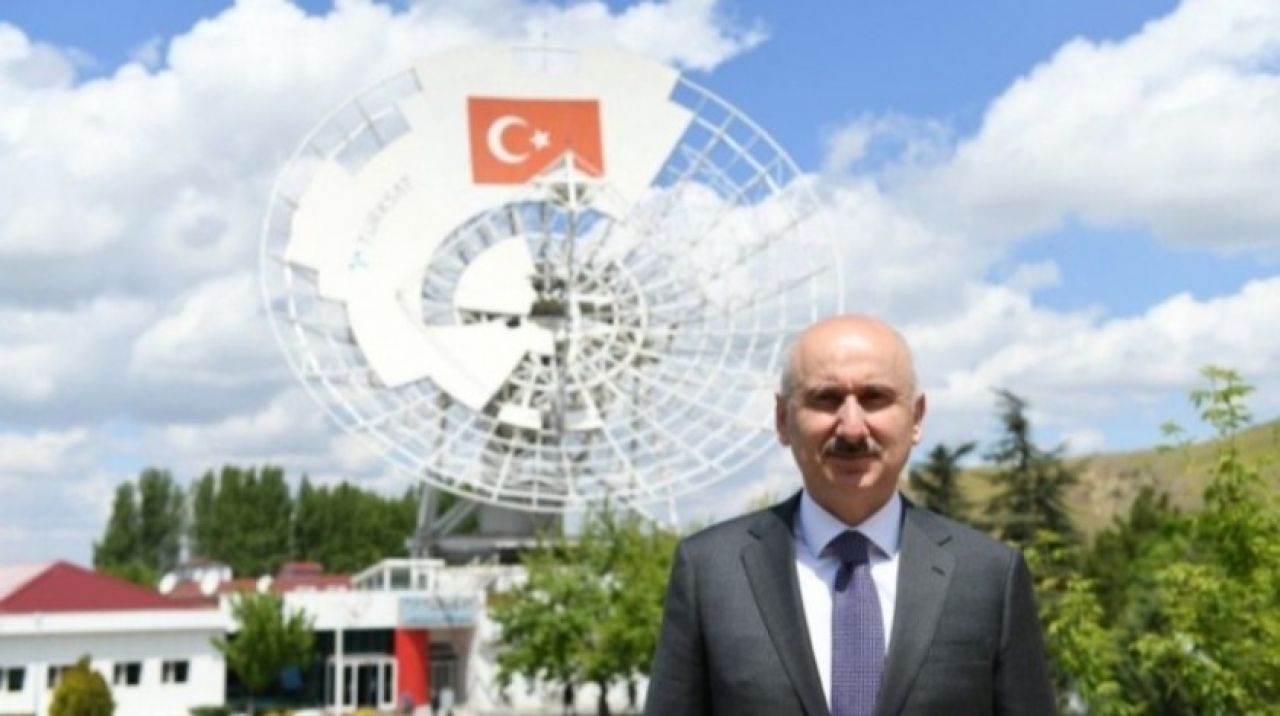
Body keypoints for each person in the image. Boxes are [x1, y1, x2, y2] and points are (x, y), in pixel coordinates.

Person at [645, 314, 1054, 715]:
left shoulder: (988, 577)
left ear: (916, 418)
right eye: (826, 399)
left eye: (875, 398)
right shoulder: (711, 574)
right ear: (783, 419)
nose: (852, 428)